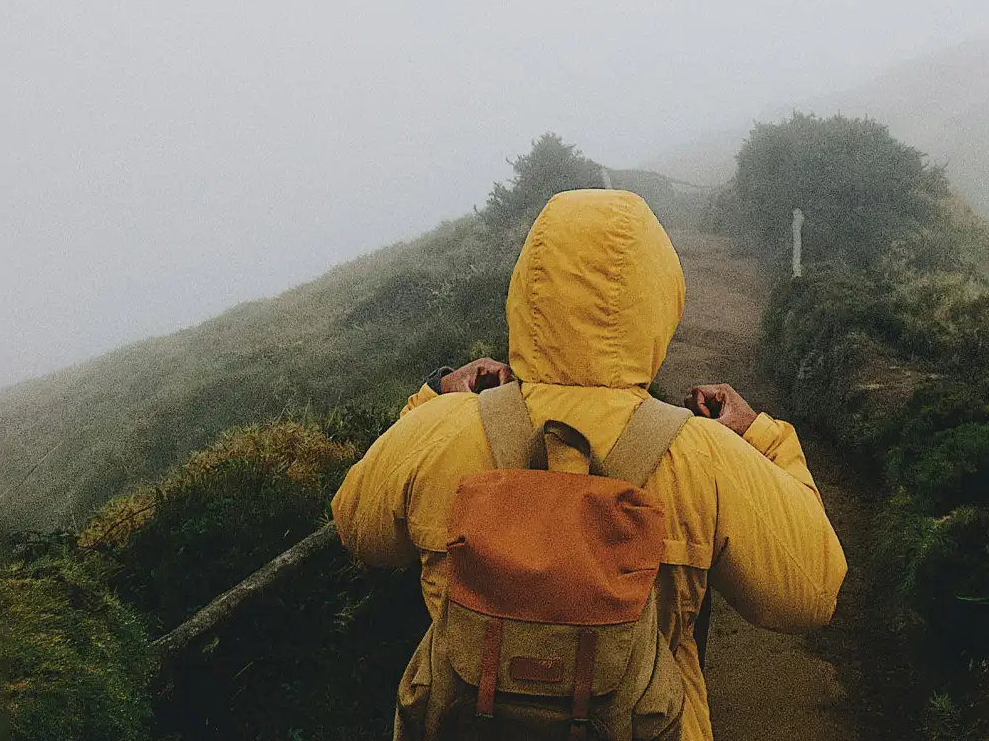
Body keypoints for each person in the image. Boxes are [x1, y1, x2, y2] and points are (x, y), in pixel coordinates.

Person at [333, 188, 846, 741]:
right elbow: (809, 594)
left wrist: (434, 397)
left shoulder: (444, 430)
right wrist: (760, 436)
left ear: (529, 289)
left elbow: (358, 530)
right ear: (659, 300)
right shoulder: (700, 453)